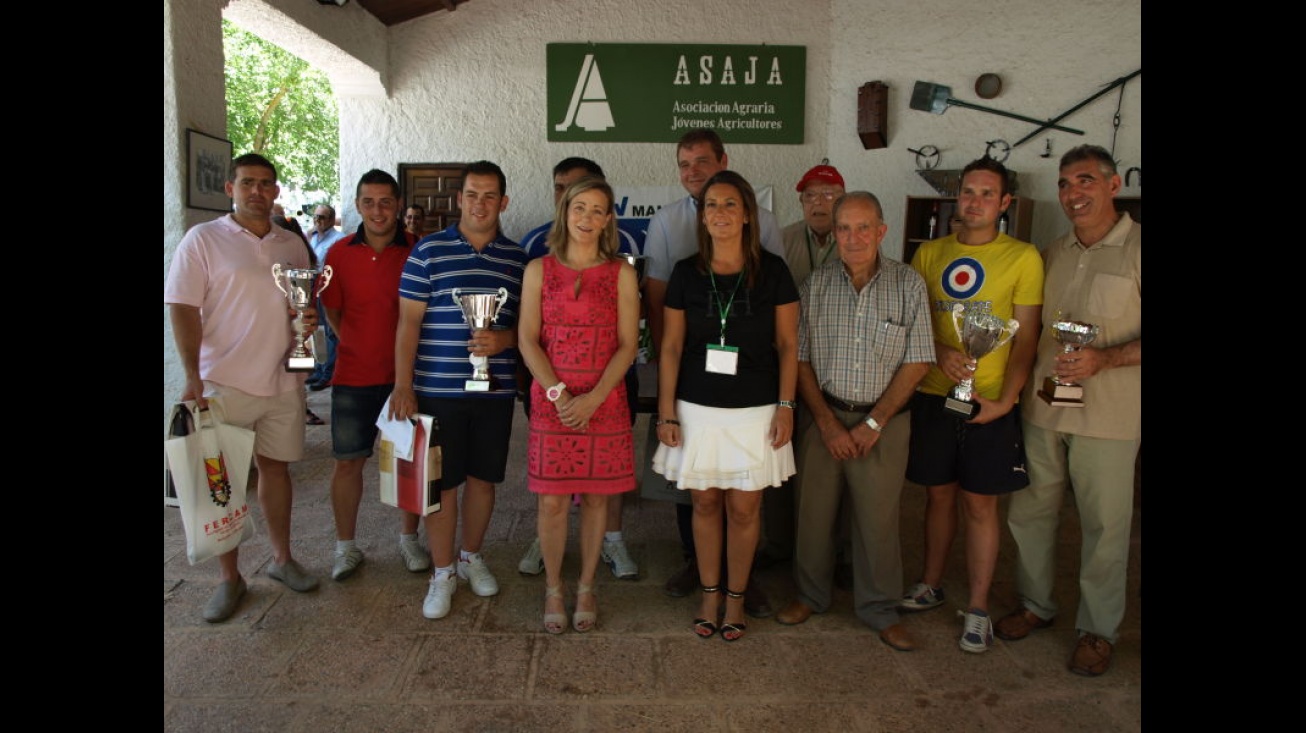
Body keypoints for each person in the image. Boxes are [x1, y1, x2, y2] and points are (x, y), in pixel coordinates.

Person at [996, 144, 1141, 677]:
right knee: (1030, 512)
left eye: (1084, 181)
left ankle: (1097, 631)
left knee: (1105, 526)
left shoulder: (1138, 248)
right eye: (1064, 183)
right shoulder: (1051, 252)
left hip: (1109, 417)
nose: (1072, 193)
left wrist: (1108, 357)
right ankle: (1036, 604)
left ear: (1112, 185)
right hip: (1043, 409)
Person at [165, 152, 320, 623]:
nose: (258, 190)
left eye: (266, 183)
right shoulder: (203, 240)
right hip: (222, 382)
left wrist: (306, 324)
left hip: (281, 380)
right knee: (223, 483)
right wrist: (193, 377)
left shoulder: (292, 244)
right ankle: (229, 578)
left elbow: (301, 304)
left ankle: (281, 559)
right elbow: (182, 308)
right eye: (248, 182)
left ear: (276, 191)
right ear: (230, 188)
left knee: (276, 472)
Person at [774, 191, 933, 653]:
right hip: (823, 416)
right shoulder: (816, 286)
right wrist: (825, 423)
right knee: (813, 515)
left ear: (882, 231)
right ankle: (810, 596)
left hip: (884, 423)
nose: (853, 237)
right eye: (844, 228)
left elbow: (918, 360)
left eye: (864, 227)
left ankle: (880, 609)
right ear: (835, 234)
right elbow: (798, 359)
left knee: (877, 521)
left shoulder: (908, 284)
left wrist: (873, 424)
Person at [643, 127, 785, 618]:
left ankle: (739, 593)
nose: (718, 212)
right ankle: (706, 586)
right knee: (701, 501)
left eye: (728, 204)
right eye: (711, 206)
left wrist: (784, 402)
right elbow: (667, 329)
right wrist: (667, 402)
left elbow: (784, 336)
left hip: (754, 400)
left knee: (745, 506)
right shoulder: (680, 257)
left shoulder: (771, 254)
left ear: (746, 212)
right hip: (694, 399)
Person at [903, 156, 1043, 654]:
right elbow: (917, 324)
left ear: (1005, 203)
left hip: (989, 404)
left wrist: (1006, 401)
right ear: (956, 197)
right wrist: (940, 352)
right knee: (937, 496)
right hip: (935, 395)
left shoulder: (1023, 257)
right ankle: (931, 584)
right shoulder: (930, 253)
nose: (976, 202)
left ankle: (979, 606)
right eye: (968, 192)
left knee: (980, 504)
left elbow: (1027, 339)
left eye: (988, 194)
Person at [389, 160, 527, 620]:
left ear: (503, 202)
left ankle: (471, 557)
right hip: (435, 390)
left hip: (495, 391)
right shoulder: (428, 251)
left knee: (484, 479)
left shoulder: (518, 259)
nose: (480, 204)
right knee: (442, 485)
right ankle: (442, 571)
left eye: (490, 196)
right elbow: (408, 323)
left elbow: (529, 329)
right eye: (472, 195)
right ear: (459, 199)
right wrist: (403, 384)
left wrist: (504, 339)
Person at [517, 176, 641, 633]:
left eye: (597, 210)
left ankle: (587, 585)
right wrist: (560, 395)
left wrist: (593, 399)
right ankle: (554, 587)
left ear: (609, 219)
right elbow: (528, 341)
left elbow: (628, 345)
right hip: (553, 402)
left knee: (595, 501)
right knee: (550, 503)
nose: (587, 218)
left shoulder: (622, 274)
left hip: (604, 403)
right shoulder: (537, 271)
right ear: (564, 211)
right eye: (579, 208)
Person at [317, 170, 430, 582]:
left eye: (386, 202)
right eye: (369, 202)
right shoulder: (339, 253)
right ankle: (345, 547)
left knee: (408, 462)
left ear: (398, 204)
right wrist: (355, 343)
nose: (378, 210)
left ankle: (408, 538)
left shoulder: (419, 250)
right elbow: (333, 310)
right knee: (348, 463)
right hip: (353, 377)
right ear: (357, 205)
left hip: (408, 377)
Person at [761, 162, 849, 577]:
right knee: (781, 453)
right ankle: (779, 545)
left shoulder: (855, 237)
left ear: (843, 198)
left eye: (829, 194)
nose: (820, 203)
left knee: (837, 464)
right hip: (789, 363)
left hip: (839, 367)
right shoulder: (785, 238)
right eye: (811, 195)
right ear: (800, 201)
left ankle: (841, 551)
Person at [307, 205, 346, 392]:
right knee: (317, 331)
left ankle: (328, 373)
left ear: (331, 219)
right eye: (315, 217)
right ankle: (318, 368)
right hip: (312, 285)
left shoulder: (338, 239)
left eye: (322, 217)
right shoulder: (313, 238)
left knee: (330, 332)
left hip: (328, 286)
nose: (318, 221)